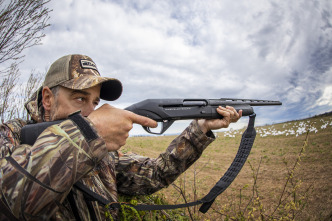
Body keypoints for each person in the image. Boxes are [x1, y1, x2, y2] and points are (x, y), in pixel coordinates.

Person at [0, 54, 242, 220]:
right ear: (47, 98)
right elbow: (11, 204)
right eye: (80, 98)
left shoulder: (99, 149)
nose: (90, 112)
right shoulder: (12, 136)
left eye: (95, 102)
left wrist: (200, 129)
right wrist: (85, 133)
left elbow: (153, 175)